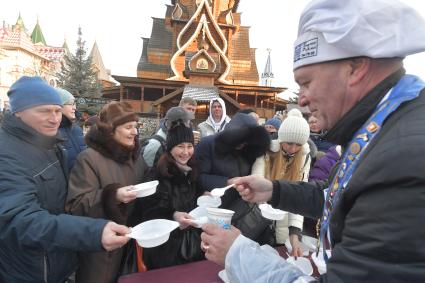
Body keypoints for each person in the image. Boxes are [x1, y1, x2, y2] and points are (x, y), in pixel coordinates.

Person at [200, 0, 425, 281]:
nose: (302, 100)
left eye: (306, 82)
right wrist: (274, 190)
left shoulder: (404, 159)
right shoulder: (388, 127)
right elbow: (336, 196)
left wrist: (237, 254)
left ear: (356, 68)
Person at [0, 76, 130, 283]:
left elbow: (63, 203)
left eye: (57, 110)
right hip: (29, 270)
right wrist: (93, 232)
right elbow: (20, 220)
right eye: (44, 111)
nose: (54, 118)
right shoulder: (6, 154)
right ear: (18, 112)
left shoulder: (49, 145)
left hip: (56, 263)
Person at [66, 101, 151, 283]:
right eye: (128, 127)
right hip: (101, 251)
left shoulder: (135, 157)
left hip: (131, 243)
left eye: (136, 127)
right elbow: (76, 205)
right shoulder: (89, 159)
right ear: (110, 130)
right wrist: (113, 195)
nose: (135, 132)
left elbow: (148, 183)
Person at [136, 120, 204, 269]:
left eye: (189, 146)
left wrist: (205, 196)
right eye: (180, 146)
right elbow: (149, 212)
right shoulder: (157, 174)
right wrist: (173, 215)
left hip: (191, 245)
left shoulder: (192, 170)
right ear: (170, 149)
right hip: (166, 250)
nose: (186, 152)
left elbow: (195, 200)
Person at [196, 113, 272, 244]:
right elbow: (198, 177)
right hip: (214, 209)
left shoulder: (250, 150)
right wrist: (227, 182)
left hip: (240, 211)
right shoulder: (208, 144)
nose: (242, 145)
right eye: (239, 141)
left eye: (246, 141)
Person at [252, 108, 311, 256]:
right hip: (258, 217)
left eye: (298, 145)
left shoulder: (304, 158)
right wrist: (266, 207)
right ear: (281, 138)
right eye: (289, 143)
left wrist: (295, 234)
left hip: (284, 221)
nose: (293, 149)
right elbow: (256, 184)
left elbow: (300, 197)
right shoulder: (266, 153)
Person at [57, 88, 86, 171]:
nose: (74, 108)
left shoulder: (77, 129)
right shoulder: (53, 131)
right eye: (70, 104)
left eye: (75, 104)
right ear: (59, 106)